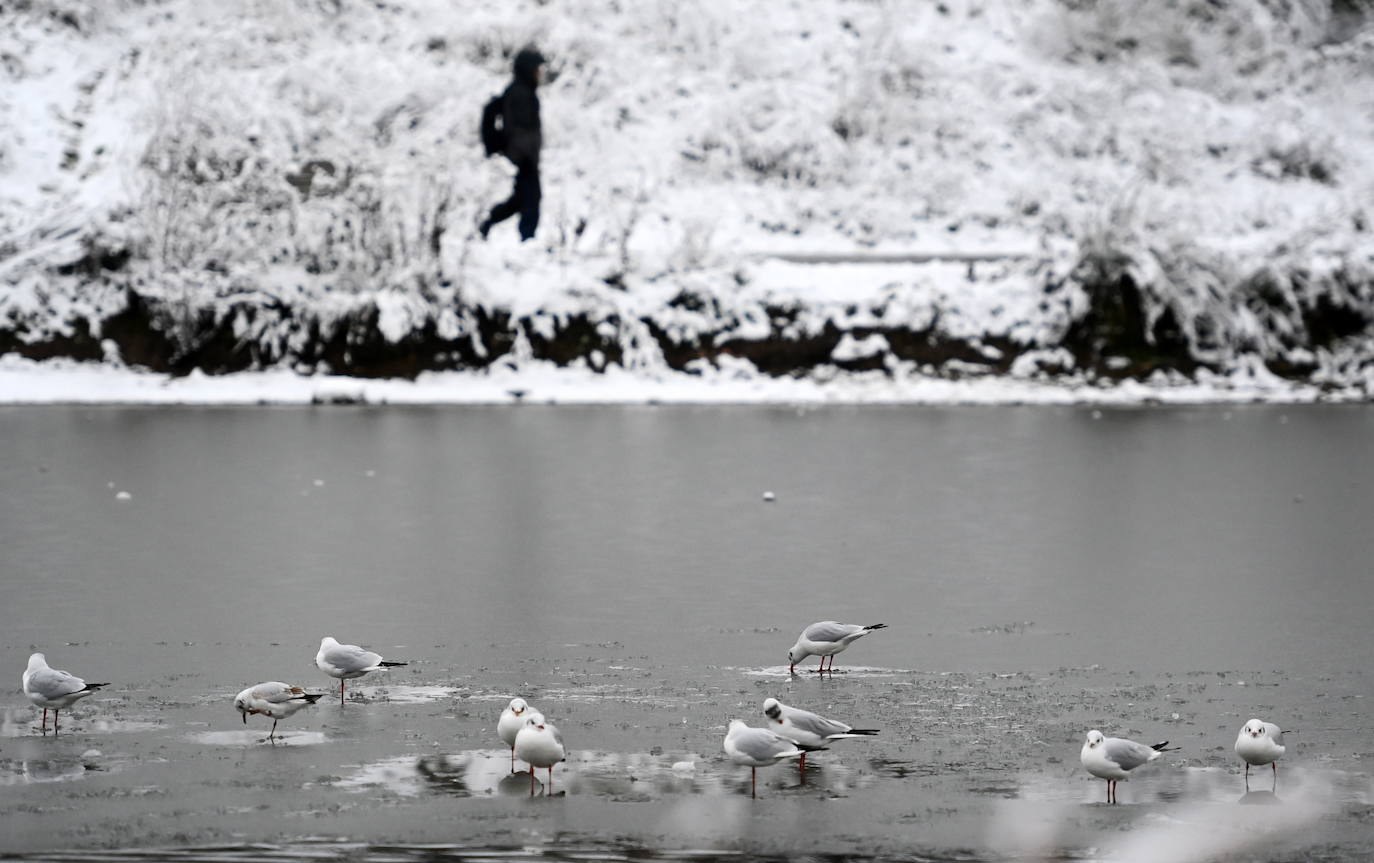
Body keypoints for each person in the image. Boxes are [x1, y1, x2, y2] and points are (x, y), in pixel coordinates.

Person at [480, 47, 545, 242]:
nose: (539, 73)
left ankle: (487, 222)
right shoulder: (520, 93)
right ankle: (528, 239)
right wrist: (521, 153)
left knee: (520, 199)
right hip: (522, 156)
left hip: (523, 155)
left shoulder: (522, 91)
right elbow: (519, 128)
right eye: (536, 69)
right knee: (532, 198)